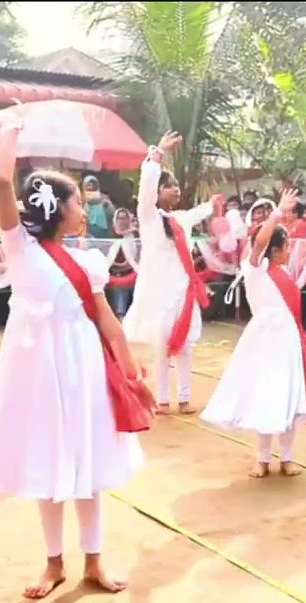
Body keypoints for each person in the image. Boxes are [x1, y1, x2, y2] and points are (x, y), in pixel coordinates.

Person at [0, 109, 150, 599]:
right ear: (57, 208)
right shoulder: (22, 249)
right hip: (39, 371)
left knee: (87, 461)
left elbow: (107, 321)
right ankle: (54, 563)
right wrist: (12, 131)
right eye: (77, 200)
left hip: (84, 366)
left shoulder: (87, 262)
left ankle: (94, 560)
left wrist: (130, 371)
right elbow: (1, 180)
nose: (84, 207)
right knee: (48, 461)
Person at [201, 190, 306, 477]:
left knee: (287, 396)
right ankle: (262, 458)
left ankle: (287, 458)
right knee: (264, 395)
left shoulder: (285, 274)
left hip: (288, 341)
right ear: (274, 249)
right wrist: (277, 213)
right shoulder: (255, 268)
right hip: (263, 341)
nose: (289, 251)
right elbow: (259, 242)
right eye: (286, 246)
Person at [121, 131, 219, 414]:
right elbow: (146, 189)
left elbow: (198, 213)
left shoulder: (178, 219)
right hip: (160, 292)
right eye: (169, 186)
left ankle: (185, 397)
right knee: (162, 347)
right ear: (157, 192)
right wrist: (158, 155)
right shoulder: (149, 217)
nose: (175, 190)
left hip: (182, 292)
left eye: (176, 186)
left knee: (185, 346)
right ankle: (163, 399)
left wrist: (212, 205)